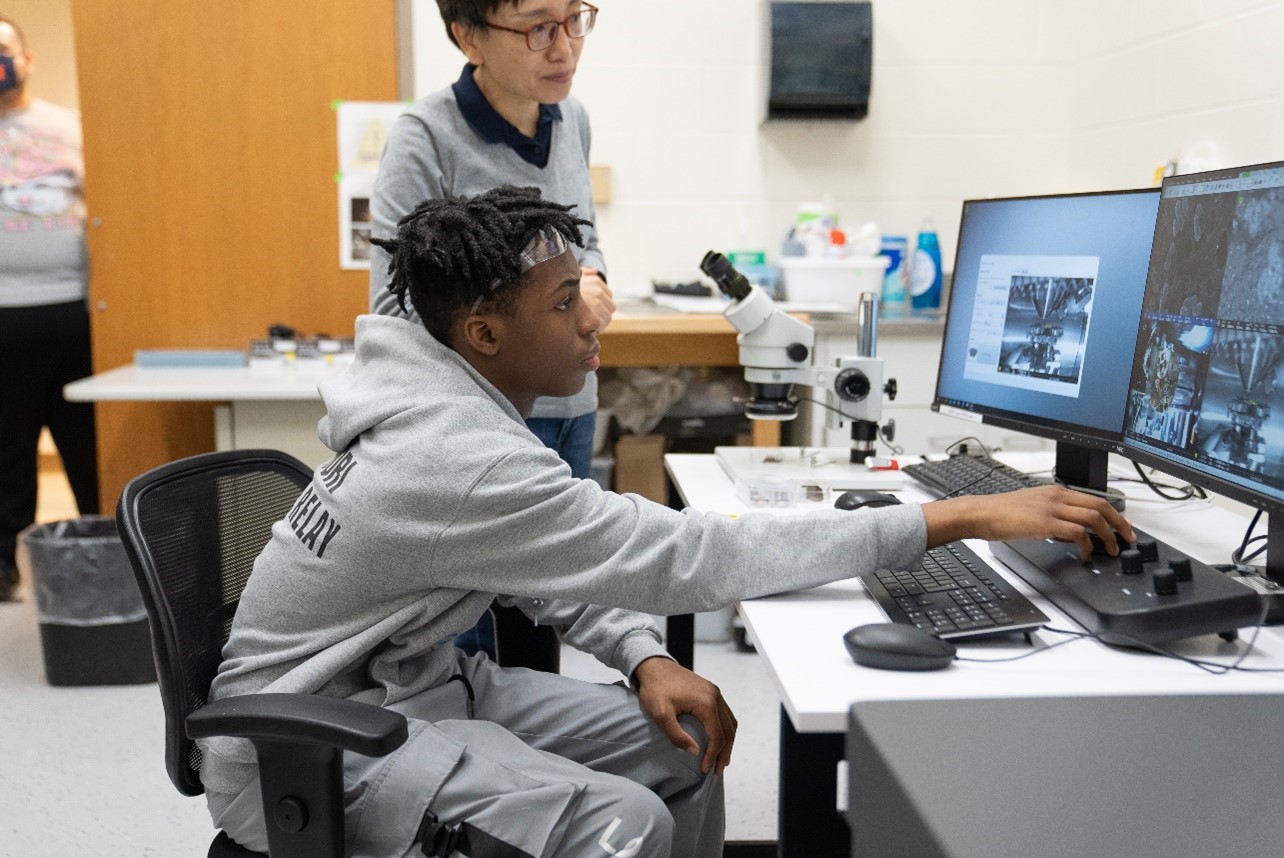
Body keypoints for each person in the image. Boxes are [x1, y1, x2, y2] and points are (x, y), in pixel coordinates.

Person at [201, 186, 1134, 857]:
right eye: (565, 305)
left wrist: (646, 659)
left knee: (680, 749)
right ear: (484, 334)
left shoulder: (447, 404)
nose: (591, 321)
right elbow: (685, 557)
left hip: (417, 689)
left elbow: (547, 561)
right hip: (313, 743)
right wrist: (954, 514)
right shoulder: (455, 453)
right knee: (626, 824)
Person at [370, 0, 613, 662]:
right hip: (474, 428)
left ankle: (539, 763)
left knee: (546, 621)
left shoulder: (573, 122)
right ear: (467, 36)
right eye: (537, 27)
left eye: (574, 19)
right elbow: (395, 312)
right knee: (467, 639)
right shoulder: (425, 136)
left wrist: (591, 287)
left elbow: (584, 247)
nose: (563, 47)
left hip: (567, 409)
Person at [0, 14, 98, 602]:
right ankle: (2, 567)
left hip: (75, 311)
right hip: (1, 316)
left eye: (3, 49)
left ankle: (104, 554)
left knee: (86, 445)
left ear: (27, 59)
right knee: (5, 450)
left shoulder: (72, 127)